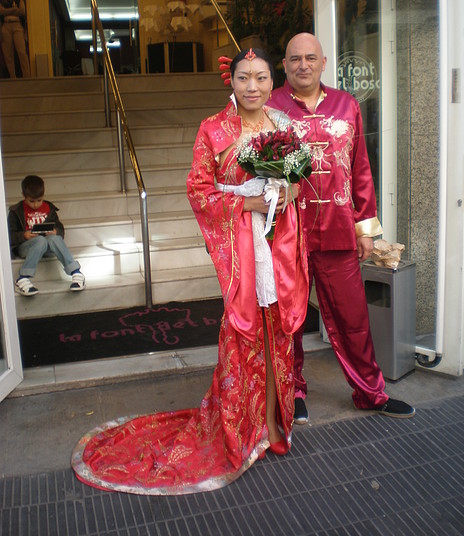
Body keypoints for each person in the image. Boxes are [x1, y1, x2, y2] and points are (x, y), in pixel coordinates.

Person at [70, 48, 309, 495]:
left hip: (279, 244)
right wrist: (247, 203)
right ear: (231, 82)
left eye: (260, 77)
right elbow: (198, 189)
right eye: (243, 78)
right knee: (242, 336)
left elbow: (299, 178)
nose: (252, 86)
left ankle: (276, 425)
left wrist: (288, 192)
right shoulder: (212, 129)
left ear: (273, 82)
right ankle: (240, 429)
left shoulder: (284, 126)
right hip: (240, 243)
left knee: (277, 332)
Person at [267, 33, 415, 422]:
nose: (303, 65)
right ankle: (293, 393)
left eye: (310, 57)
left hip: (338, 231)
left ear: (323, 62)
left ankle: (370, 392)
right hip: (287, 235)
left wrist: (366, 230)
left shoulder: (346, 105)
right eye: (295, 58)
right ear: (284, 65)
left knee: (353, 319)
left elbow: (361, 168)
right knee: (290, 322)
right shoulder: (270, 107)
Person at [8, 175, 85, 295]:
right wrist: (24, 235)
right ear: (24, 196)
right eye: (31, 201)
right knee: (40, 241)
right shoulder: (16, 211)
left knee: (54, 238)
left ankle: (76, 272)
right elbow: (9, 235)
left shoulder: (49, 208)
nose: (35, 205)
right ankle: (23, 277)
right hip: (26, 247)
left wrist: (56, 232)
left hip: (47, 247)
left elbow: (59, 227)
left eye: (39, 200)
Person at [0, 0, 30, 78]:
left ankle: (27, 75)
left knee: (21, 51)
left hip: (17, 25)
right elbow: (1, 12)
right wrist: (14, 9)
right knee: (8, 54)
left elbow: (22, 11)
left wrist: (7, 10)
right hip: (5, 26)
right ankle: (13, 77)